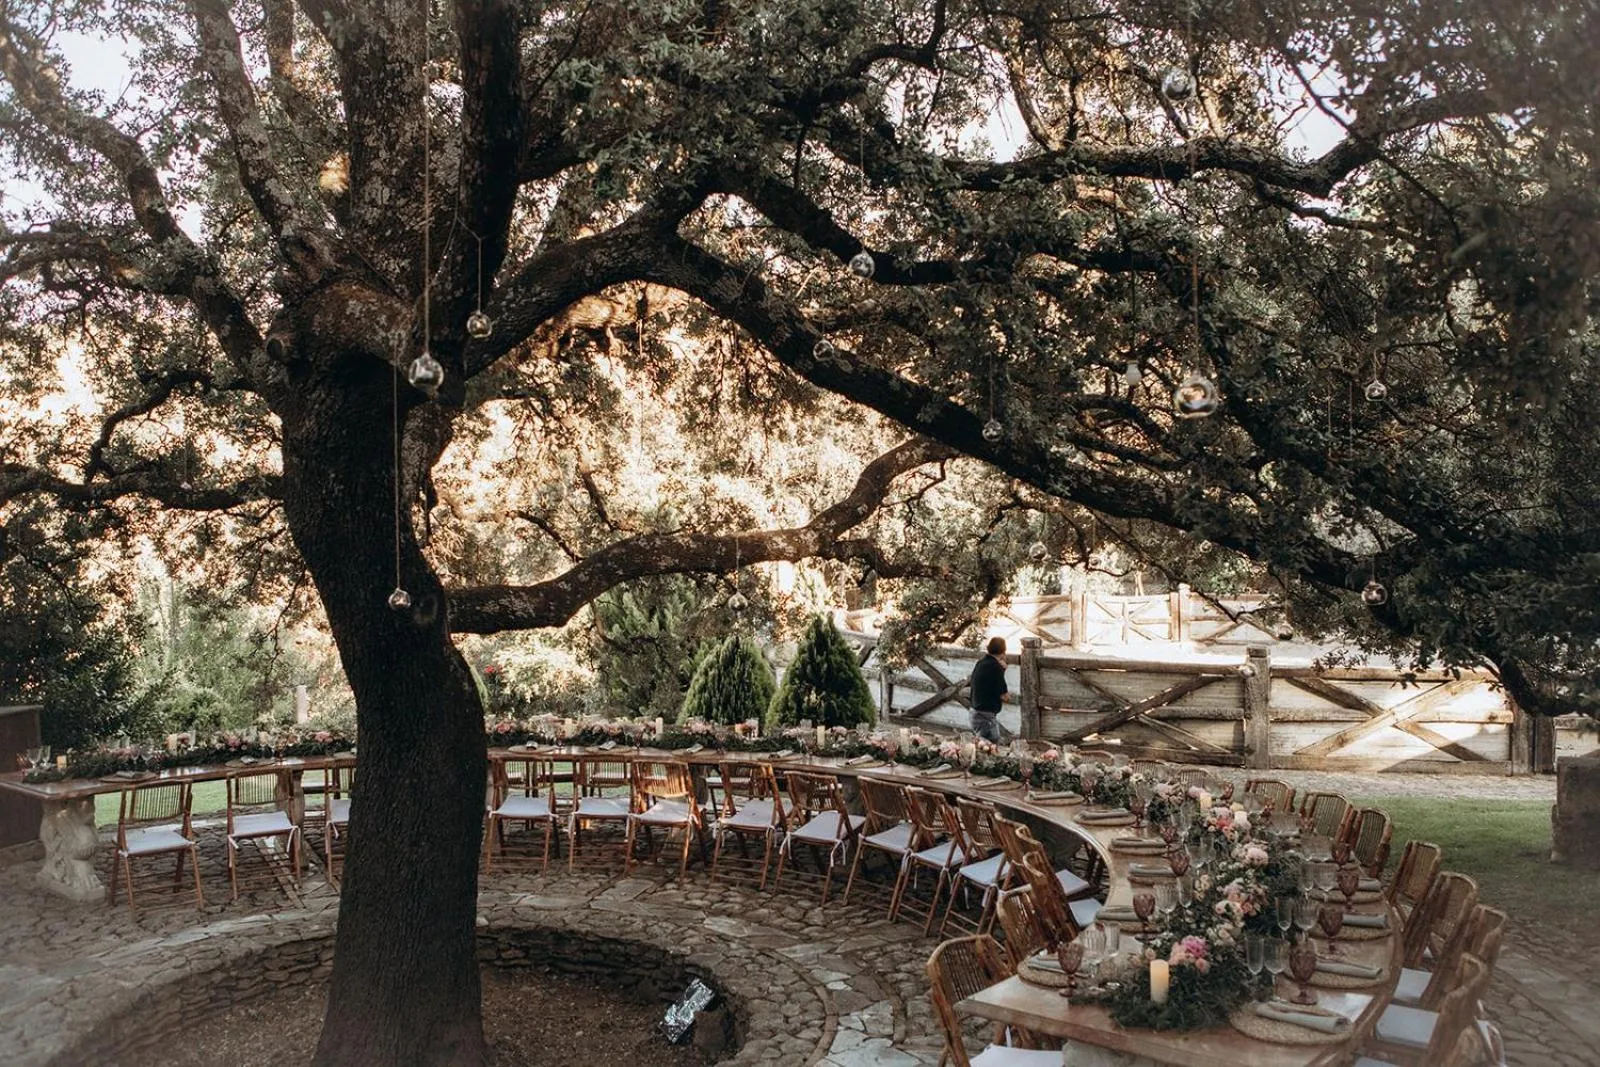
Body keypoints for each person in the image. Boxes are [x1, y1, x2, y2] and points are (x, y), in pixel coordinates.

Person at [968, 636, 1014, 743]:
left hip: (974, 712)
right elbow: (1004, 696)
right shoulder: (995, 668)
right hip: (985, 716)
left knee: (982, 746)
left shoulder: (981, 663)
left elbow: (989, 682)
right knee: (991, 746)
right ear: (1003, 652)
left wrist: (1002, 669)